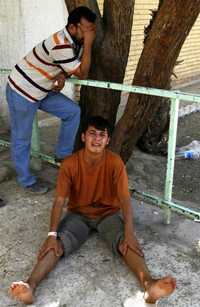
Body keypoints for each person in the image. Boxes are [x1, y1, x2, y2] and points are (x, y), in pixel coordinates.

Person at [9, 116, 176, 305]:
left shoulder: (115, 162)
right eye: (92, 134)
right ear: (83, 137)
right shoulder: (70, 164)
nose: (97, 139)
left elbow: (125, 200)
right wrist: (52, 234)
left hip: (107, 214)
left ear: (107, 140)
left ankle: (149, 285)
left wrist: (129, 233)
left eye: (102, 135)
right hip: (78, 215)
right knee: (55, 244)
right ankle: (30, 286)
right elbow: (59, 201)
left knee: (127, 243)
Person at [6, 6, 96, 194]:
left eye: (91, 29)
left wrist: (62, 74)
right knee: (22, 138)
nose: (89, 33)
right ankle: (27, 181)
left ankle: (62, 156)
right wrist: (89, 43)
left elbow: (65, 64)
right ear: (72, 27)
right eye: (85, 29)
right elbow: (82, 74)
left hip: (42, 89)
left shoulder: (73, 41)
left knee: (72, 111)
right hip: (22, 90)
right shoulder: (61, 44)